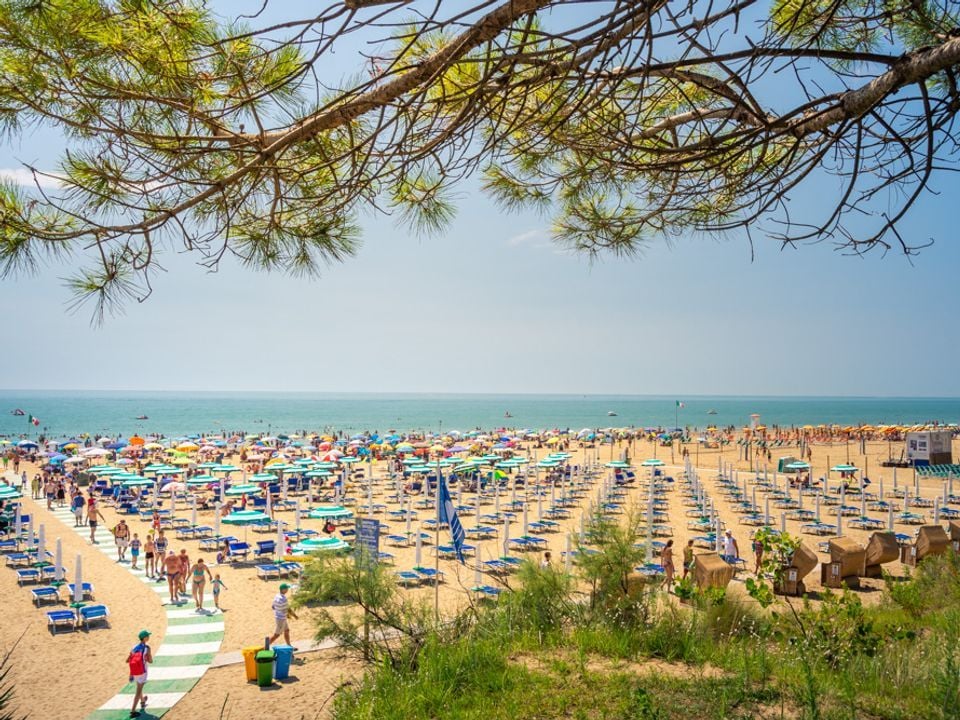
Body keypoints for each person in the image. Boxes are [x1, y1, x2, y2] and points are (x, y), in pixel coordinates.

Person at [127, 629, 153, 718]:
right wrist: (146, 658)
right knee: (138, 691)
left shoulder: (134, 647)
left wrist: (131, 674)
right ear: (145, 638)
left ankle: (142, 701)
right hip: (142, 671)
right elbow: (151, 661)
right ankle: (133, 711)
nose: (149, 637)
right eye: (148, 636)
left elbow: (128, 659)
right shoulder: (147, 648)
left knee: (139, 685)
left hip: (134, 671)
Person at [268, 583, 298, 647]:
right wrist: (295, 616)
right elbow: (288, 609)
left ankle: (289, 645)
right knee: (277, 635)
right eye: (286, 589)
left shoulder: (276, 596)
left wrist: (279, 610)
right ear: (283, 590)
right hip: (281, 619)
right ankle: (265, 646)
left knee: (287, 630)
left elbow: (273, 607)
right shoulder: (283, 599)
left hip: (279, 617)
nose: (287, 590)